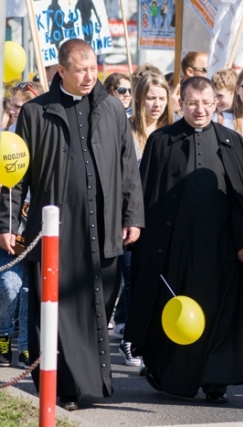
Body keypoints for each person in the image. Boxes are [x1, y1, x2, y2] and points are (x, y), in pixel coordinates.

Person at [0, 39, 144, 411]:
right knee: (57, 311)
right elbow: (14, 176)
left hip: (104, 226)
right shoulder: (34, 113)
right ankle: (62, 387)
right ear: (60, 71)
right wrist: (8, 222)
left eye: (93, 67)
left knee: (99, 302)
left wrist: (133, 217)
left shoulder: (112, 108)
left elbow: (128, 168)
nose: (88, 76)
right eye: (80, 69)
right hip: (55, 234)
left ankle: (94, 383)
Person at [126, 76, 243, 403]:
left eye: (206, 103)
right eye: (192, 103)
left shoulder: (231, 141)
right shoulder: (161, 140)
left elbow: (242, 196)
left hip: (220, 249)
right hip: (174, 248)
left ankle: (216, 380)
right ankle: (172, 376)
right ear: (180, 104)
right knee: (172, 308)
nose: (200, 110)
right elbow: (146, 193)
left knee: (218, 314)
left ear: (216, 103)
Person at [113, 72, 173, 367]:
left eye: (162, 98)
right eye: (151, 98)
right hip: (129, 217)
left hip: (160, 219)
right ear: (139, 99)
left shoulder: (172, 132)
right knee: (131, 277)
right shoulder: (127, 130)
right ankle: (129, 338)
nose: (157, 104)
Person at [0, 81, 45, 370]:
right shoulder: (6, 140)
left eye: (26, 107)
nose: (20, 112)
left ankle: (28, 346)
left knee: (31, 290)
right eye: (16, 107)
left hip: (37, 226)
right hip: (10, 225)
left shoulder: (45, 139)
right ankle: (3, 333)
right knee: (9, 285)